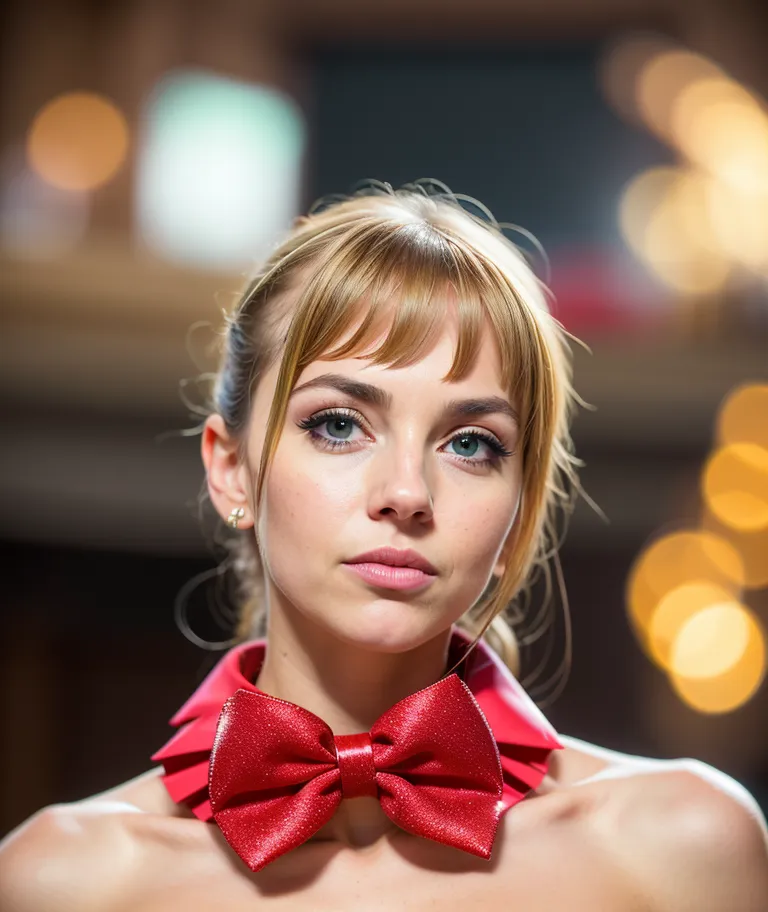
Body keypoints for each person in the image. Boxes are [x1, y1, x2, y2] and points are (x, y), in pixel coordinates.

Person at [1, 179, 766, 911]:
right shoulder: (63, 883)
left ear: (519, 512)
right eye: (337, 424)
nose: (407, 492)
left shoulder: (680, 850)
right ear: (231, 470)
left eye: (471, 443)